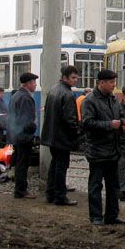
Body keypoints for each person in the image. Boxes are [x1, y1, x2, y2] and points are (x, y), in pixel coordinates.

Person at [81, 69, 125, 226]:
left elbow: (120, 115)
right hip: (97, 149)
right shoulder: (89, 100)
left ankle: (112, 215)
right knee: (96, 184)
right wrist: (110, 125)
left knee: (113, 184)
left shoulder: (113, 99)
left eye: (114, 82)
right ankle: (95, 216)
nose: (113, 85)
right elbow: (87, 124)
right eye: (110, 82)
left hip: (112, 149)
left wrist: (123, 123)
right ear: (101, 82)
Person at [41, 65, 81, 206]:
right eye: (73, 77)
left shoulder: (53, 90)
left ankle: (50, 193)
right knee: (61, 167)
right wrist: (76, 133)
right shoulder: (68, 94)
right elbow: (70, 119)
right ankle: (60, 195)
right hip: (62, 137)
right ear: (65, 77)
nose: (75, 80)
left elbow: (47, 113)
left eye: (76, 77)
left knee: (55, 165)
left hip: (52, 136)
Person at [8, 72, 39, 199]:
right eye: (34, 82)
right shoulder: (26, 98)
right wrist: (32, 130)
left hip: (16, 134)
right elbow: (26, 120)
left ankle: (19, 189)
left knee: (19, 161)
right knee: (23, 163)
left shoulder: (16, 95)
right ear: (29, 83)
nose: (35, 85)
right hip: (23, 136)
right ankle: (21, 190)